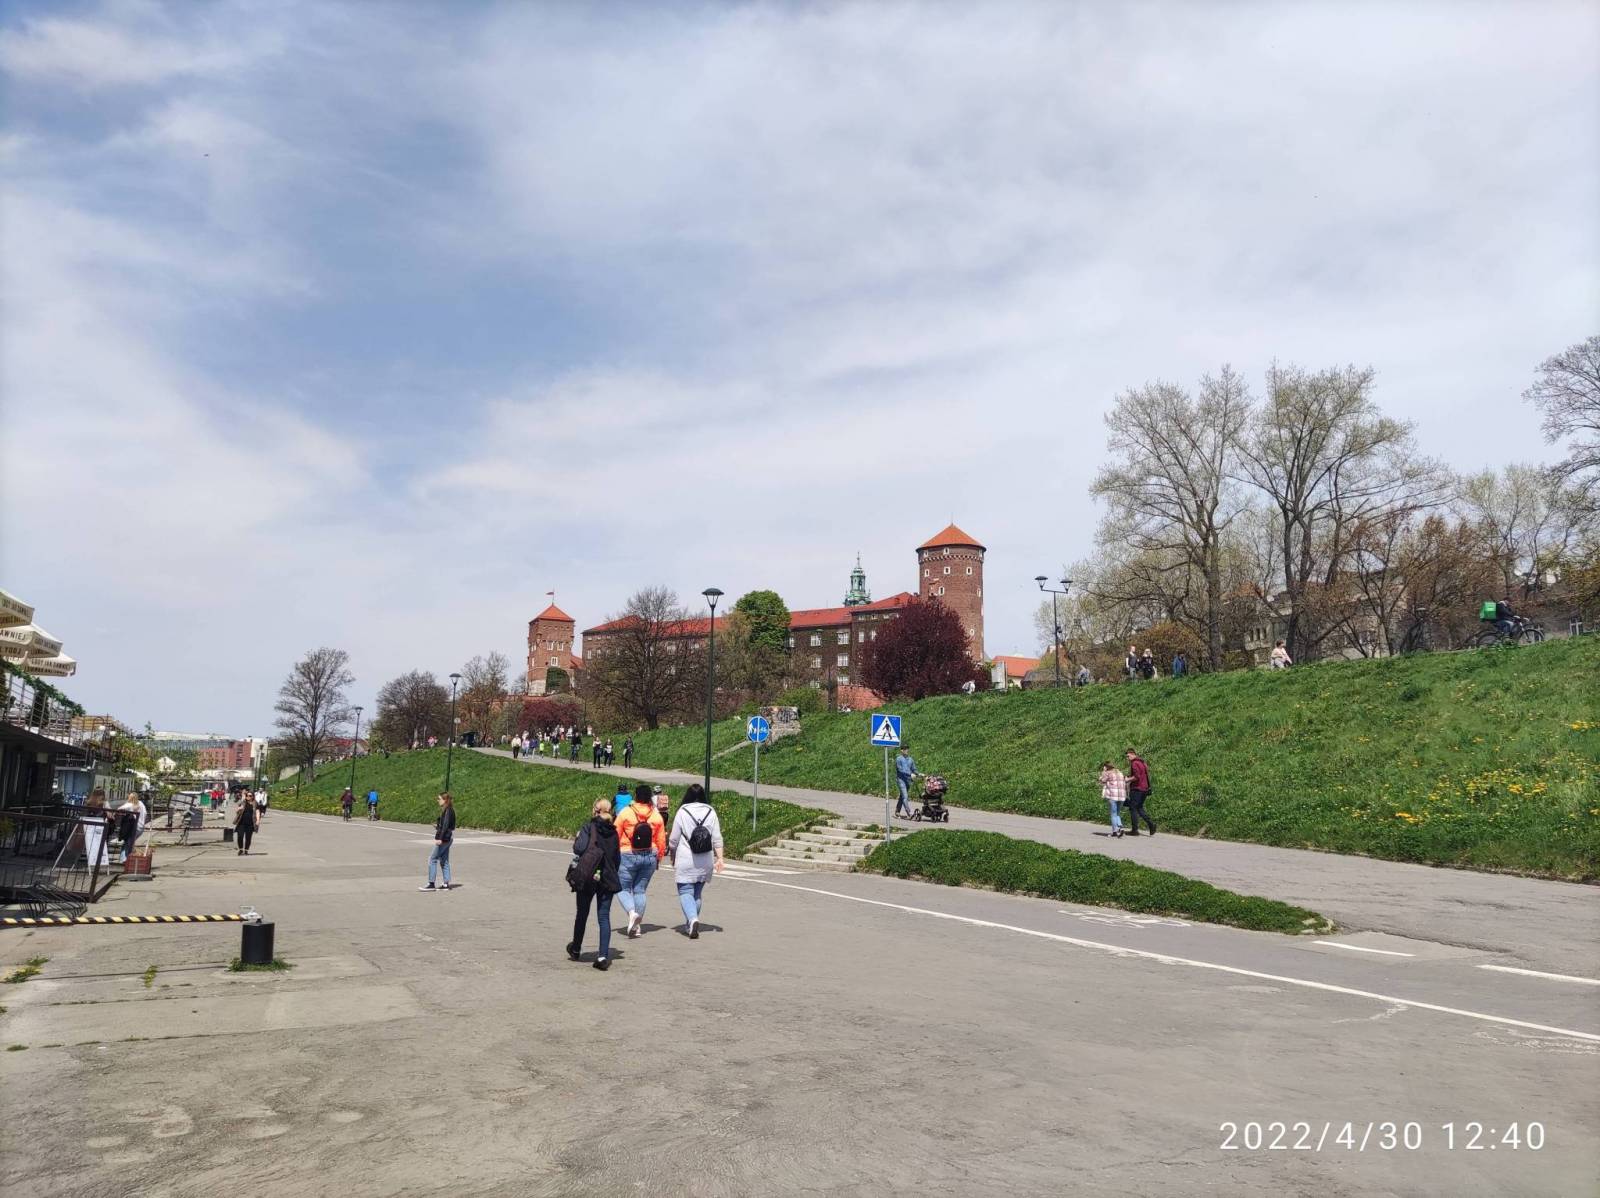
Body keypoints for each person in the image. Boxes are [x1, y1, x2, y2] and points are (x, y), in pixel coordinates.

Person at [567, 798, 621, 970]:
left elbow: (579, 849)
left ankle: (576, 948)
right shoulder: (613, 831)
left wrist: (577, 838)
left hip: (588, 875)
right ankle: (603, 956)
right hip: (607, 877)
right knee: (603, 917)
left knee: (582, 913)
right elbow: (617, 858)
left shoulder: (588, 827)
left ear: (596, 810)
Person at [668, 783, 724, 938]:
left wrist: (672, 854)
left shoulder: (682, 811)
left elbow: (673, 839)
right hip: (705, 859)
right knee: (697, 893)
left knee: (685, 891)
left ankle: (692, 919)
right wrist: (720, 858)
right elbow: (717, 838)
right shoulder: (711, 811)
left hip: (686, 859)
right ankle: (690, 925)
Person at [613, 784, 666, 938]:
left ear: (635, 796)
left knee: (622, 889)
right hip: (650, 854)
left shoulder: (626, 812)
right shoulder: (656, 815)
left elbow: (615, 834)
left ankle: (632, 913)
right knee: (640, 890)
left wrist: (612, 854)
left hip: (628, 854)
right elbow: (661, 839)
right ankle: (636, 926)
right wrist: (659, 857)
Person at [420, 793, 456, 890]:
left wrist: (440, 838)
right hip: (449, 837)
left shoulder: (447, 810)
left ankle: (431, 883)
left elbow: (446, 825)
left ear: (445, 800)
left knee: (432, 859)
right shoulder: (449, 810)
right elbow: (447, 825)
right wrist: (438, 827)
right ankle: (446, 884)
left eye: (439, 799)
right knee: (444, 860)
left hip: (445, 838)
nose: (438, 800)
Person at [1123, 749, 1155, 836]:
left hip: (1137, 789)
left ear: (1133, 754)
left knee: (1133, 808)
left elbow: (1137, 777)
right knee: (1139, 807)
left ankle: (1134, 830)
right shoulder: (1142, 762)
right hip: (1144, 788)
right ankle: (1151, 824)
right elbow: (1142, 775)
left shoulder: (1134, 763)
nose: (1127, 758)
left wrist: (1127, 779)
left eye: (1128, 756)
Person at [1098, 760, 1126, 838]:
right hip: (1121, 796)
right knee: (1117, 813)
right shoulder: (1120, 772)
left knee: (1113, 814)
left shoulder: (1108, 773)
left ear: (1106, 766)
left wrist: (1103, 772)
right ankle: (1120, 827)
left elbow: (1102, 780)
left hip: (1112, 796)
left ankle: (1114, 832)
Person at [893, 747, 917, 818]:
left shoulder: (910, 759)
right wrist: (910, 774)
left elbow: (914, 769)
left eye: (907, 749)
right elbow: (900, 770)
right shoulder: (898, 759)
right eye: (905, 749)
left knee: (902, 796)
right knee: (905, 796)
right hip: (901, 780)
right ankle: (909, 813)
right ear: (901, 750)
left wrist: (919, 774)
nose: (906, 750)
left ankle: (897, 811)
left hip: (908, 781)